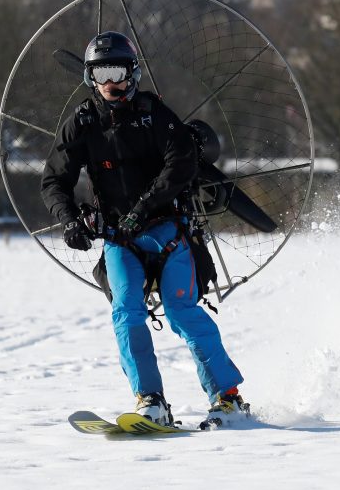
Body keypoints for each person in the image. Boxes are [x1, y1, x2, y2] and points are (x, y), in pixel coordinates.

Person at [41, 31, 248, 427]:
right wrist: (69, 220)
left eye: (116, 71)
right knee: (126, 313)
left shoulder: (154, 115)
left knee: (182, 312)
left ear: (132, 73)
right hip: (120, 241)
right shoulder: (82, 124)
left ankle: (228, 398)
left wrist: (143, 207)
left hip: (168, 232)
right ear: (89, 79)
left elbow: (181, 162)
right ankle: (150, 400)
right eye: (100, 74)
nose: (109, 83)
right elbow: (54, 180)